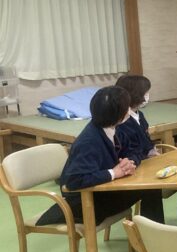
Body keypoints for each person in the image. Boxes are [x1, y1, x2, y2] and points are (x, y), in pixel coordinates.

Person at [37, 86, 164, 226]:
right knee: (149, 189)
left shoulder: (114, 128)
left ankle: (151, 232)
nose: (129, 110)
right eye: (126, 107)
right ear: (119, 114)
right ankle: (152, 234)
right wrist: (113, 173)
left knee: (150, 187)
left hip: (105, 190)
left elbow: (136, 151)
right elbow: (75, 181)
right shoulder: (89, 141)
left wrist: (129, 162)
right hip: (86, 202)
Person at [115, 74, 158, 166]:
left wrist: (151, 149)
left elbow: (146, 139)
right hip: (133, 164)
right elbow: (128, 152)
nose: (147, 96)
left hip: (146, 160)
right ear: (135, 94)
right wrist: (147, 154)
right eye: (145, 93)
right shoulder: (120, 120)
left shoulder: (140, 115)